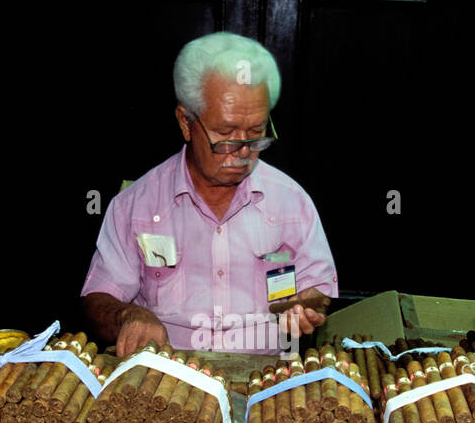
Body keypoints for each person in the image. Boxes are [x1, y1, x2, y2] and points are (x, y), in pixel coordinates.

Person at [81, 32, 338, 356]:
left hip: (266, 376)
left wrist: (309, 304)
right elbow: (96, 299)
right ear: (186, 123)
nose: (242, 151)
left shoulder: (291, 201)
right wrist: (127, 315)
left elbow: (320, 289)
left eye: (256, 133)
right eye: (225, 134)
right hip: (167, 379)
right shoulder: (137, 205)